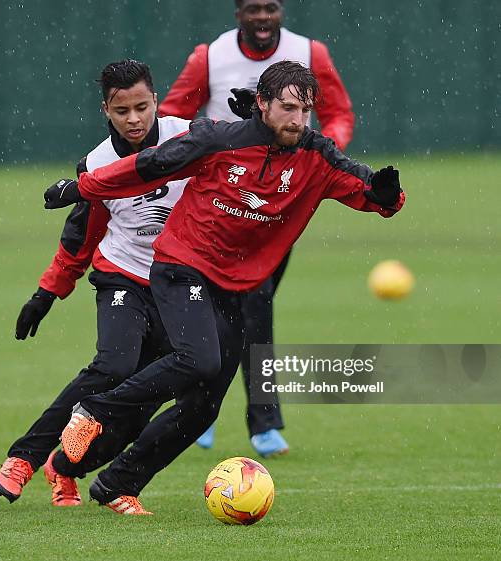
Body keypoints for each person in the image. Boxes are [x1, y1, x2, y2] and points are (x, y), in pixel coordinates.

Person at [43, 60, 405, 514]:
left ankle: (116, 484)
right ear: (263, 104)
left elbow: (368, 191)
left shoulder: (317, 157)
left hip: (238, 289)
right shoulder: (219, 139)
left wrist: (389, 196)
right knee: (199, 359)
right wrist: (84, 187)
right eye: (287, 108)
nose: (297, 120)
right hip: (182, 268)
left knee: (202, 407)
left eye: (305, 111)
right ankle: (94, 409)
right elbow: (150, 165)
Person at [158, 0, 355, 455]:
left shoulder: (311, 54)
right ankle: (208, 413)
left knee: (254, 309)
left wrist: (322, 156)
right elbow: (171, 117)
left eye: (271, 7)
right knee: (225, 314)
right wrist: (214, 143)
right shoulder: (211, 56)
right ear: (238, 13)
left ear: (281, 11)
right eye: (253, 8)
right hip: (220, 211)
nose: (263, 17)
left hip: (273, 212)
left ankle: (246, 420)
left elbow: (340, 114)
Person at [0, 59, 192, 512]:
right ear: (106, 109)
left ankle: (65, 469)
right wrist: (46, 294)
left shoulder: (188, 137)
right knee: (114, 365)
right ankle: (24, 457)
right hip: (121, 275)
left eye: (143, 106)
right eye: (122, 111)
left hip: (176, 284)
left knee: (140, 401)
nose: (135, 119)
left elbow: (237, 149)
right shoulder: (97, 165)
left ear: (157, 101)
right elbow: (80, 237)